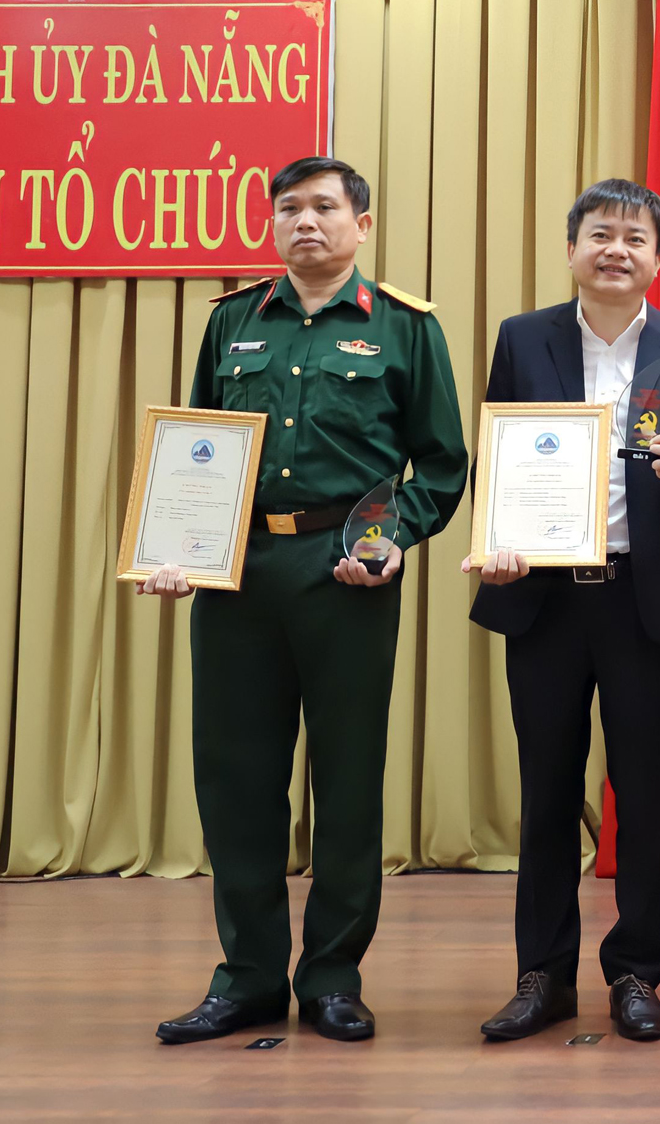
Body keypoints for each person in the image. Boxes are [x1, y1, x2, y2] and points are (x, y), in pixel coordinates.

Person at [139, 156, 468, 1045]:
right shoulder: (233, 320)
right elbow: (198, 447)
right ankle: (247, 975)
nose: (305, 223)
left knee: (349, 779)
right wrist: (176, 549)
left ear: (362, 223)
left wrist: (389, 537)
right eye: (289, 209)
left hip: (346, 572)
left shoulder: (404, 327)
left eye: (325, 207)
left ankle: (331, 974)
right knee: (236, 780)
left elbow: (441, 463)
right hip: (241, 571)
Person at [463, 179, 660, 1043]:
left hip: (641, 602)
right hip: (545, 598)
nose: (616, 250)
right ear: (574, 247)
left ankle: (636, 973)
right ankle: (540, 975)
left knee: (645, 796)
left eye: (634, 237)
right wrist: (500, 536)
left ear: (658, 255)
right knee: (546, 794)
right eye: (600, 234)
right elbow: (499, 454)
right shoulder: (524, 337)